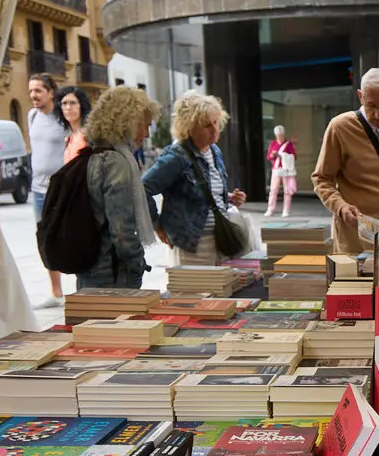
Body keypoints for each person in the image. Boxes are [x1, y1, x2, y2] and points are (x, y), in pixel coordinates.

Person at [312, 68, 379, 252]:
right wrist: (340, 207)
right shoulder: (340, 127)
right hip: (356, 229)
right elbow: (322, 178)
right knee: (357, 279)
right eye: (372, 106)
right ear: (360, 96)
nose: (378, 114)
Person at [142, 92, 247, 267]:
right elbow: (143, 188)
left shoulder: (215, 151)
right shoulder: (176, 156)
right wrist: (157, 225)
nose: (215, 129)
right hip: (193, 245)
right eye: (207, 125)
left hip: (220, 240)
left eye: (216, 122)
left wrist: (228, 198)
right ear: (189, 128)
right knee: (196, 293)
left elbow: (203, 192)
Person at [79, 86, 162, 289]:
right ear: (128, 122)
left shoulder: (93, 154)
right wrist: (137, 264)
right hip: (112, 272)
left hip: (89, 267)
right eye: (144, 125)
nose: (147, 134)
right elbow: (121, 230)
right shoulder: (116, 161)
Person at [27, 73, 68, 307]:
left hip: (61, 190)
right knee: (45, 239)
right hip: (38, 190)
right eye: (31, 91)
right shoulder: (32, 116)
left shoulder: (62, 116)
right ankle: (56, 293)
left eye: (38, 91)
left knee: (68, 235)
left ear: (51, 93)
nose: (33, 95)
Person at [265, 125, 296, 217]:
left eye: (281, 134)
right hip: (276, 169)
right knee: (273, 190)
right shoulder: (273, 144)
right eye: (278, 135)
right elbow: (269, 156)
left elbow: (294, 156)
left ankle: (286, 210)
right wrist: (273, 155)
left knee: (287, 191)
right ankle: (270, 209)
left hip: (286, 170)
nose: (279, 136)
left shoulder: (288, 144)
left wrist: (282, 155)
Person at [54, 86, 92, 163]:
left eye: (73, 103)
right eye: (64, 103)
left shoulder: (89, 135)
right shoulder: (69, 137)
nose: (68, 107)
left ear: (81, 105)